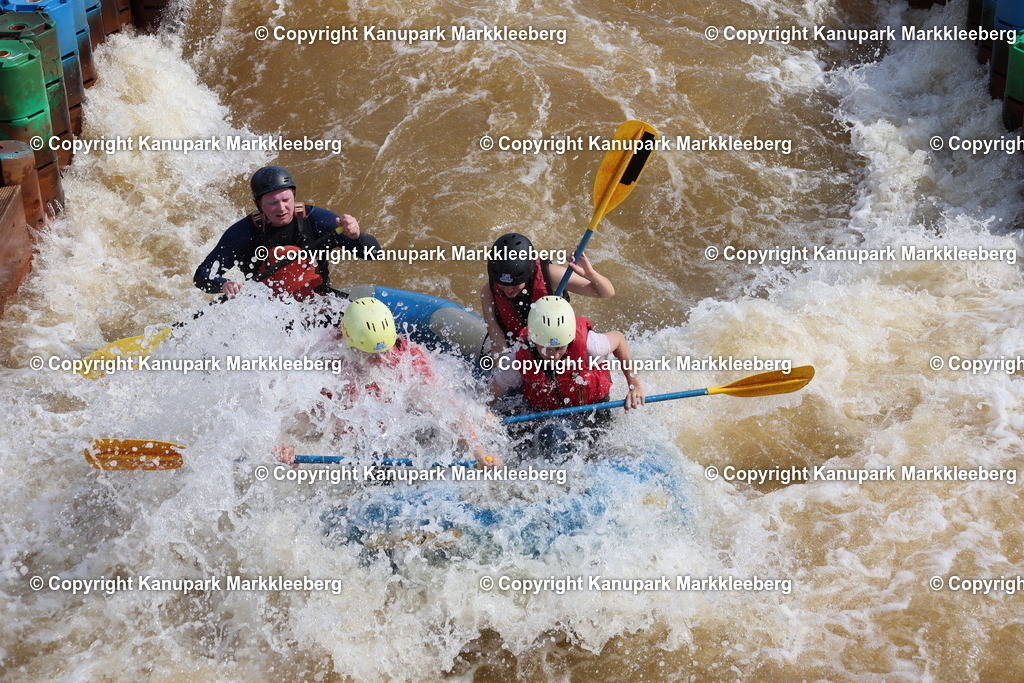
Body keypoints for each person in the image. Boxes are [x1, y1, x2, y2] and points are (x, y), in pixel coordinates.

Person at [275, 297, 501, 470]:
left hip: (389, 440)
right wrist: (282, 444)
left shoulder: (408, 357)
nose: (382, 359)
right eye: (372, 354)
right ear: (350, 345)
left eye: (385, 350)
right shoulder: (323, 358)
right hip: (339, 443)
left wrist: (478, 452)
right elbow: (281, 408)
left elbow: (446, 406)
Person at [489, 295, 644, 459]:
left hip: (590, 412)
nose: (553, 356)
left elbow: (618, 339)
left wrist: (634, 384)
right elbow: (490, 395)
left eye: (559, 348)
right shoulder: (517, 359)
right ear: (534, 341)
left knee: (552, 435)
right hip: (542, 413)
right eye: (547, 348)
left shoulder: (591, 345)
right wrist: (485, 416)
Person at [193, 165, 381, 297]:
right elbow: (202, 276)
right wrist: (224, 284)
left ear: (294, 196)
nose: (281, 208)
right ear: (258, 205)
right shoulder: (243, 233)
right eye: (272, 203)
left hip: (317, 301)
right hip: (267, 311)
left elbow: (374, 254)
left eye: (286, 200)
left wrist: (356, 237)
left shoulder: (316, 220)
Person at [479, 233, 614, 354]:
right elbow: (496, 338)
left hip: (556, 348)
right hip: (521, 351)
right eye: (503, 285)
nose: (508, 290)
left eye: (514, 284)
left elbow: (606, 292)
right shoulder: (488, 292)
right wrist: (501, 373)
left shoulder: (551, 274)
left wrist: (590, 274)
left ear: (529, 272)